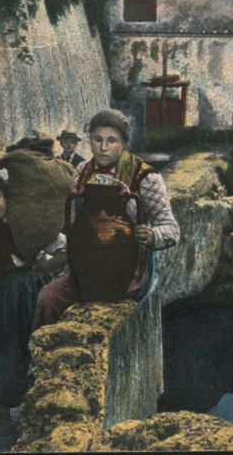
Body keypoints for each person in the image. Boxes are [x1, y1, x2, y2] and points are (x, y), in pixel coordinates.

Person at [33, 109, 180, 330]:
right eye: (97, 139)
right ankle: (42, 358)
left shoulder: (146, 177)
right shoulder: (82, 171)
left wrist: (152, 235)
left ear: (123, 144)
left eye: (112, 141)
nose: (103, 147)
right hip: (86, 266)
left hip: (128, 271)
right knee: (47, 298)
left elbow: (171, 229)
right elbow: (72, 223)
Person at [0, 168, 67, 430]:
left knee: (40, 340)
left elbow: (63, 249)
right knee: (8, 344)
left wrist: (47, 264)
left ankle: (43, 405)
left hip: (37, 284)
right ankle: (4, 408)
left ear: (6, 196)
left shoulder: (30, 220)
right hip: (10, 288)